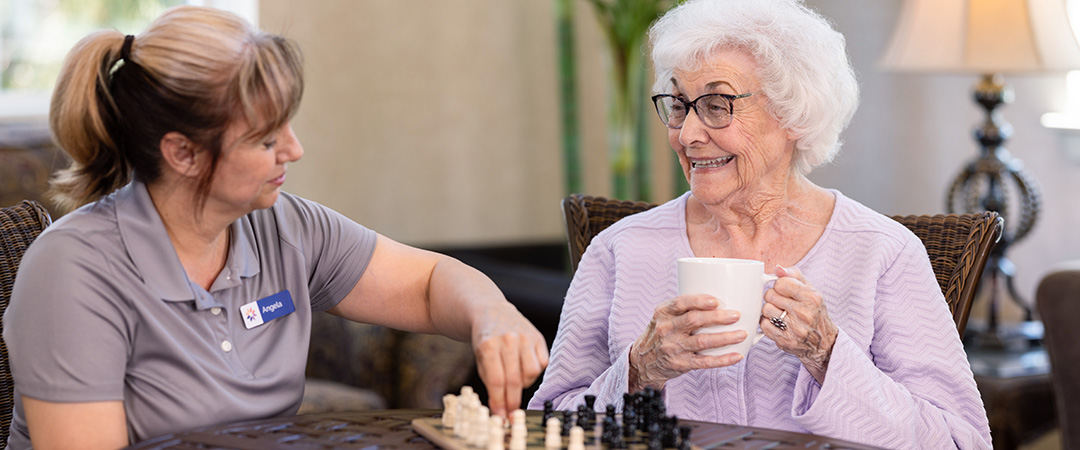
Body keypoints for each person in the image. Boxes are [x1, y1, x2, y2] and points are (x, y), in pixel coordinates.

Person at [2, 5, 548, 449]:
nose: (295, 149)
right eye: (265, 140)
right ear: (183, 153)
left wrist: (492, 315)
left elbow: (429, 284)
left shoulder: (285, 227)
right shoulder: (72, 271)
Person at [529, 0, 991, 448]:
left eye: (716, 104)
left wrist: (827, 355)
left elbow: (959, 441)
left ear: (793, 112)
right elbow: (544, 425)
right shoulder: (620, 249)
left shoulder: (882, 252)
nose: (688, 134)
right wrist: (637, 370)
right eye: (678, 104)